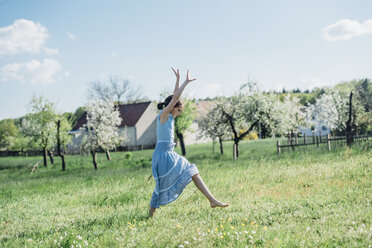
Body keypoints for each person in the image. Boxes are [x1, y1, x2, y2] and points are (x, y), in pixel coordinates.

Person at [148, 68, 229, 217]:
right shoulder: (164, 115)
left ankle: (212, 200)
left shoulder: (168, 117)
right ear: (172, 108)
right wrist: (185, 82)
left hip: (167, 154)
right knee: (186, 174)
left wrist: (178, 79)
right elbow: (175, 98)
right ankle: (212, 200)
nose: (180, 113)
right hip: (164, 156)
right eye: (179, 110)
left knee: (187, 175)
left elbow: (174, 96)